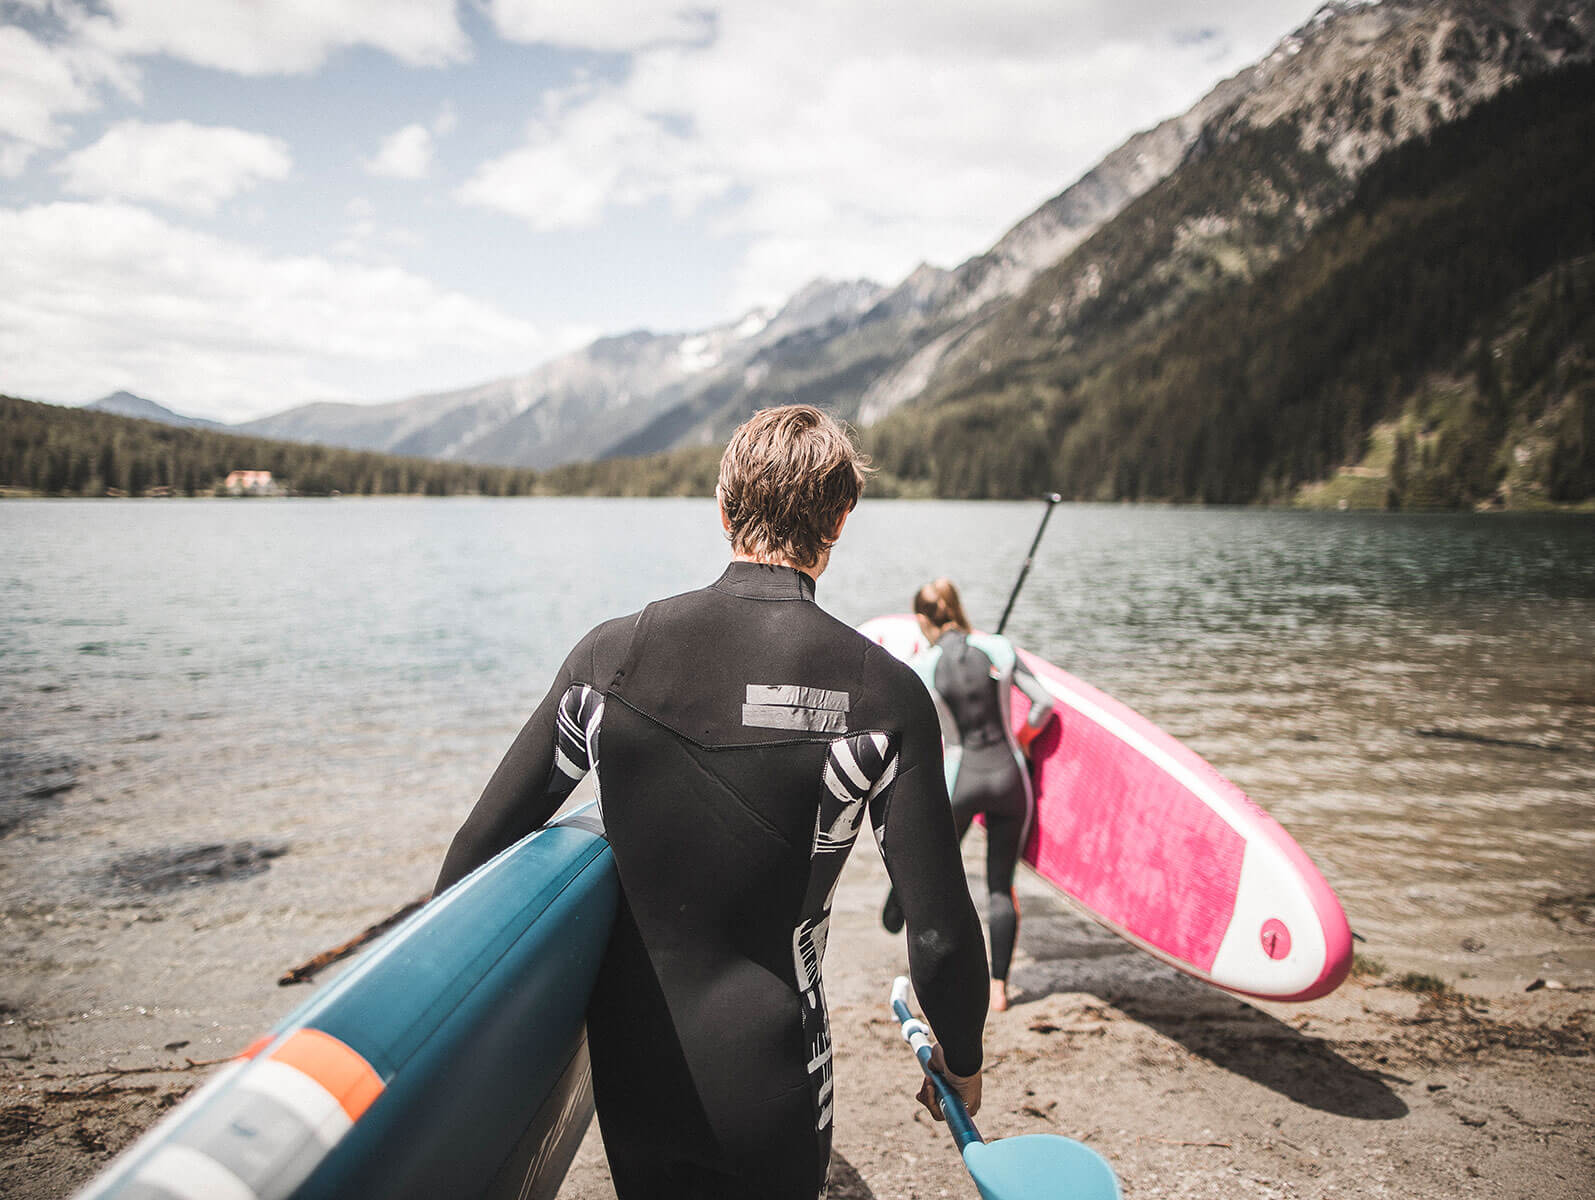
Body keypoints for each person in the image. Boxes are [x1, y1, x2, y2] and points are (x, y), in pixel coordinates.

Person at [434, 405, 988, 1200]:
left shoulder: (606, 657)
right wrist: (960, 1063)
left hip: (627, 1066)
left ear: (723, 509)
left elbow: (477, 850)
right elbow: (935, 933)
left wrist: (458, 1044)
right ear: (839, 519)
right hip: (774, 1068)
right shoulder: (886, 696)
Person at [880, 578, 1056, 1014]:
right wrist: (1024, 738)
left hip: (961, 780)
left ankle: (903, 913)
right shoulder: (1000, 649)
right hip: (1010, 777)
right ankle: (999, 989)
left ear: (924, 619)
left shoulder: (922, 667)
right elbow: (1043, 704)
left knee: (933, 870)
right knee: (1001, 887)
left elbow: (907, 729)